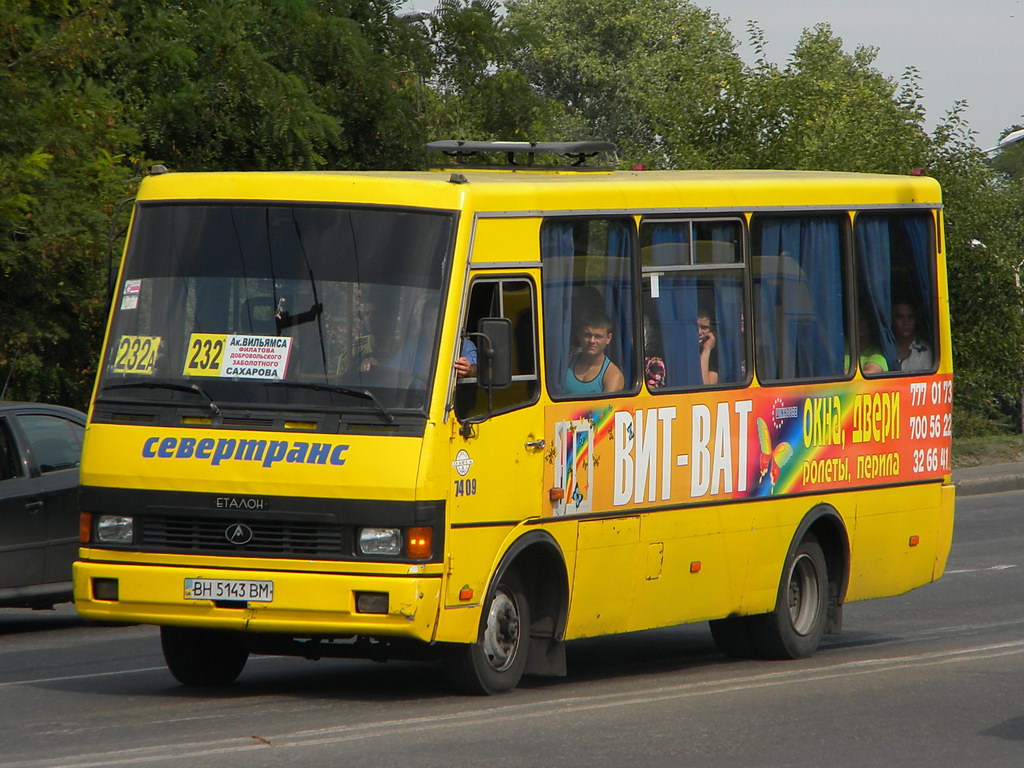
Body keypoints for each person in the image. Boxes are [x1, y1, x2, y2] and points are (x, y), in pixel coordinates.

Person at [566, 311, 625, 394]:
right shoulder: (566, 363)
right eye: (587, 335)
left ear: (608, 338)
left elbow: (606, 407)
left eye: (598, 336)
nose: (592, 341)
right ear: (579, 335)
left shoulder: (613, 375)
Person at [892, 301, 934, 372]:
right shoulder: (885, 348)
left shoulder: (925, 351)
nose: (906, 322)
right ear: (892, 320)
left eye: (910, 317)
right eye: (900, 317)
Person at [697, 310, 719, 385]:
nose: (699, 332)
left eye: (704, 328)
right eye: (695, 327)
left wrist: (707, 349)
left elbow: (704, 384)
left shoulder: (716, 356)